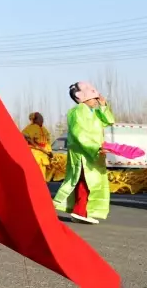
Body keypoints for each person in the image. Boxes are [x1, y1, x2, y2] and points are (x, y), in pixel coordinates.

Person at [53, 81, 115, 224]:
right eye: (94, 99)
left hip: (93, 152)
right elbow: (79, 133)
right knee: (84, 181)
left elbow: (109, 121)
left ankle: (83, 211)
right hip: (83, 152)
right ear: (83, 98)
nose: (96, 101)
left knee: (90, 182)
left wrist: (103, 106)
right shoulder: (78, 111)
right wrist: (95, 147)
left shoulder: (94, 112)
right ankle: (79, 212)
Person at [21, 112, 53, 180]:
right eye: (40, 118)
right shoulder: (30, 128)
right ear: (35, 119)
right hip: (34, 153)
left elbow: (47, 142)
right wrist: (30, 141)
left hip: (44, 153)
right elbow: (24, 136)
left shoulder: (44, 129)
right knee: (34, 174)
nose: (42, 119)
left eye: (42, 118)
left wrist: (49, 151)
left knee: (43, 176)